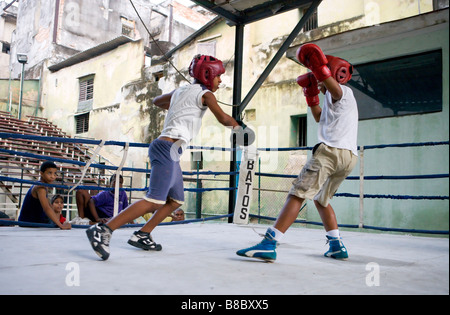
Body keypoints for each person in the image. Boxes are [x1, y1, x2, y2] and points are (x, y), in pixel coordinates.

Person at [86, 54, 254, 260]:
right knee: (153, 200)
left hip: (171, 151)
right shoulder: (206, 94)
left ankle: (143, 233)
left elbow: (157, 101)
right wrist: (240, 129)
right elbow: (223, 117)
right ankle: (103, 230)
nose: (220, 80)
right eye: (219, 76)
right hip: (166, 148)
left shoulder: (181, 91)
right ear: (208, 75)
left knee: (175, 200)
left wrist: (179, 104)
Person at [236, 43, 358, 261]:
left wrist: (320, 69)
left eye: (321, 76)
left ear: (334, 73)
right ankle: (336, 244)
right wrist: (311, 97)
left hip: (330, 153)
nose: (318, 81)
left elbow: (334, 87)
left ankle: (269, 242)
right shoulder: (332, 100)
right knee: (321, 200)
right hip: (348, 157)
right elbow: (320, 118)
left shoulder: (343, 92)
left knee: (298, 193)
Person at [18, 161, 71, 229]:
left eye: (55, 173)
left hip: (35, 221)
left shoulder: (43, 186)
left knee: (61, 223)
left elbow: (49, 205)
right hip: (29, 222)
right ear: (41, 173)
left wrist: (59, 222)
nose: (53, 176)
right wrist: (61, 226)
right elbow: (46, 208)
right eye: (49, 173)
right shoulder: (40, 188)